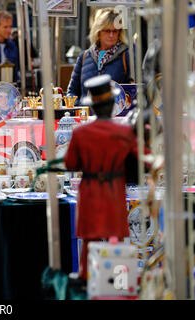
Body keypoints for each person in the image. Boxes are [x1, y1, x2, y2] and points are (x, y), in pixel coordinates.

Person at [62, 74, 146, 281]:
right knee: (115, 237)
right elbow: (142, 160)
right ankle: (116, 283)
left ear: (93, 107)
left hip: (90, 190)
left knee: (90, 239)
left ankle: (87, 278)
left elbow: (70, 164)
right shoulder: (124, 131)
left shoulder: (80, 132)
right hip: (114, 189)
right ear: (111, 106)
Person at [67, 8, 133, 105]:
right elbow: (72, 91)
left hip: (114, 117)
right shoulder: (84, 56)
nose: (111, 35)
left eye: (115, 31)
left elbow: (134, 91)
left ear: (120, 32)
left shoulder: (127, 55)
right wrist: (80, 108)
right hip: (86, 117)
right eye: (107, 30)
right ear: (98, 31)